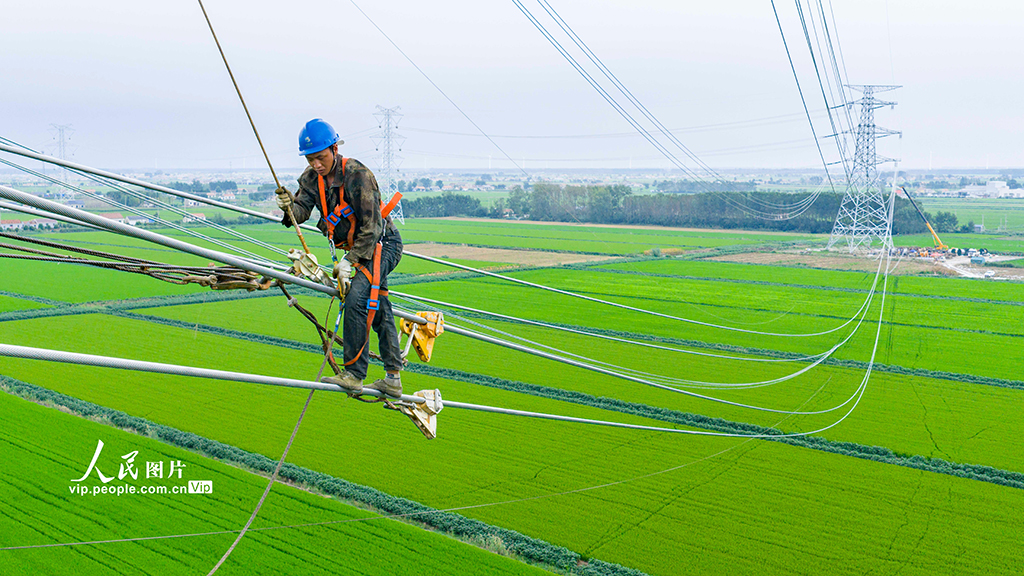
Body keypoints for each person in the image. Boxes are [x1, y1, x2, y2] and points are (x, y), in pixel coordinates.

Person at [276, 118, 404, 398]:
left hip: (382, 244)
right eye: (311, 159)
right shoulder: (310, 179)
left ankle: (355, 374)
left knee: (358, 296)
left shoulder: (358, 175)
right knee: (378, 304)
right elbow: (299, 216)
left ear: (334, 149)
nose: (316, 165)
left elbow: (373, 227)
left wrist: (350, 261)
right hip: (360, 249)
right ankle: (392, 379)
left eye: (320, 158)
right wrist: (288, 206)